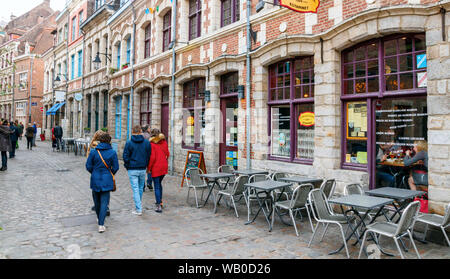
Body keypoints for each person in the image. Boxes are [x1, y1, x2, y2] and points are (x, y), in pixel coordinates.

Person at [86, 132, 119, 233]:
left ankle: (99, 218)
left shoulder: (93, 152)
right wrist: (110, 173)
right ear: (109, 141)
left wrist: (94, 172)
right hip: (106, 179)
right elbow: (116, 167)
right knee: (104, 202)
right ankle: (101, 224)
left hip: (95, 178)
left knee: (96, 202)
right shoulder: (112, 152)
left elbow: (88, 166)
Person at [123, 125, 151, 216]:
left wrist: (128, 166)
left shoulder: (129, 143)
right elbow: (148, 155)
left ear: (132, 132)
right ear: (140, 132)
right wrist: (146, 165)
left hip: (133, 169)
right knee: (139, 188)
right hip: (142, 168)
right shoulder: (146, 143)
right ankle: (138, 206)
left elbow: (125, 156)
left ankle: (138, 209)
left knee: (136, 189)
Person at [88, 130, 111, 217]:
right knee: (106, 191)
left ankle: (98, 206)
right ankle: (106, 206)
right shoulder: (108, 145)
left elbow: (90, 161)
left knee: (96, 190)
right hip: (106, 172)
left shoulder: (95, 144)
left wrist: (92, 171)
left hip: (96, 171)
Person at [147, 129, 170, 213]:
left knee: (156, 185)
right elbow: (168, 153)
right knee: (159, 184)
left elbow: (152, 158)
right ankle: (160, 201)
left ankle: (158, 205)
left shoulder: (152, 144)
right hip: (163, 166)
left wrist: (149, 168)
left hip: (156, 167)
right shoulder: (164, 142)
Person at [141, 125, 153, 192]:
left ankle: (142, 186)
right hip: (149, 154)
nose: (150, 129)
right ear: (147, 129)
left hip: (142, 155)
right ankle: (149, 183)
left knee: (143, 170)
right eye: (149, 128)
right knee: (149, 170)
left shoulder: (141, 136)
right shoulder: (150, 136)